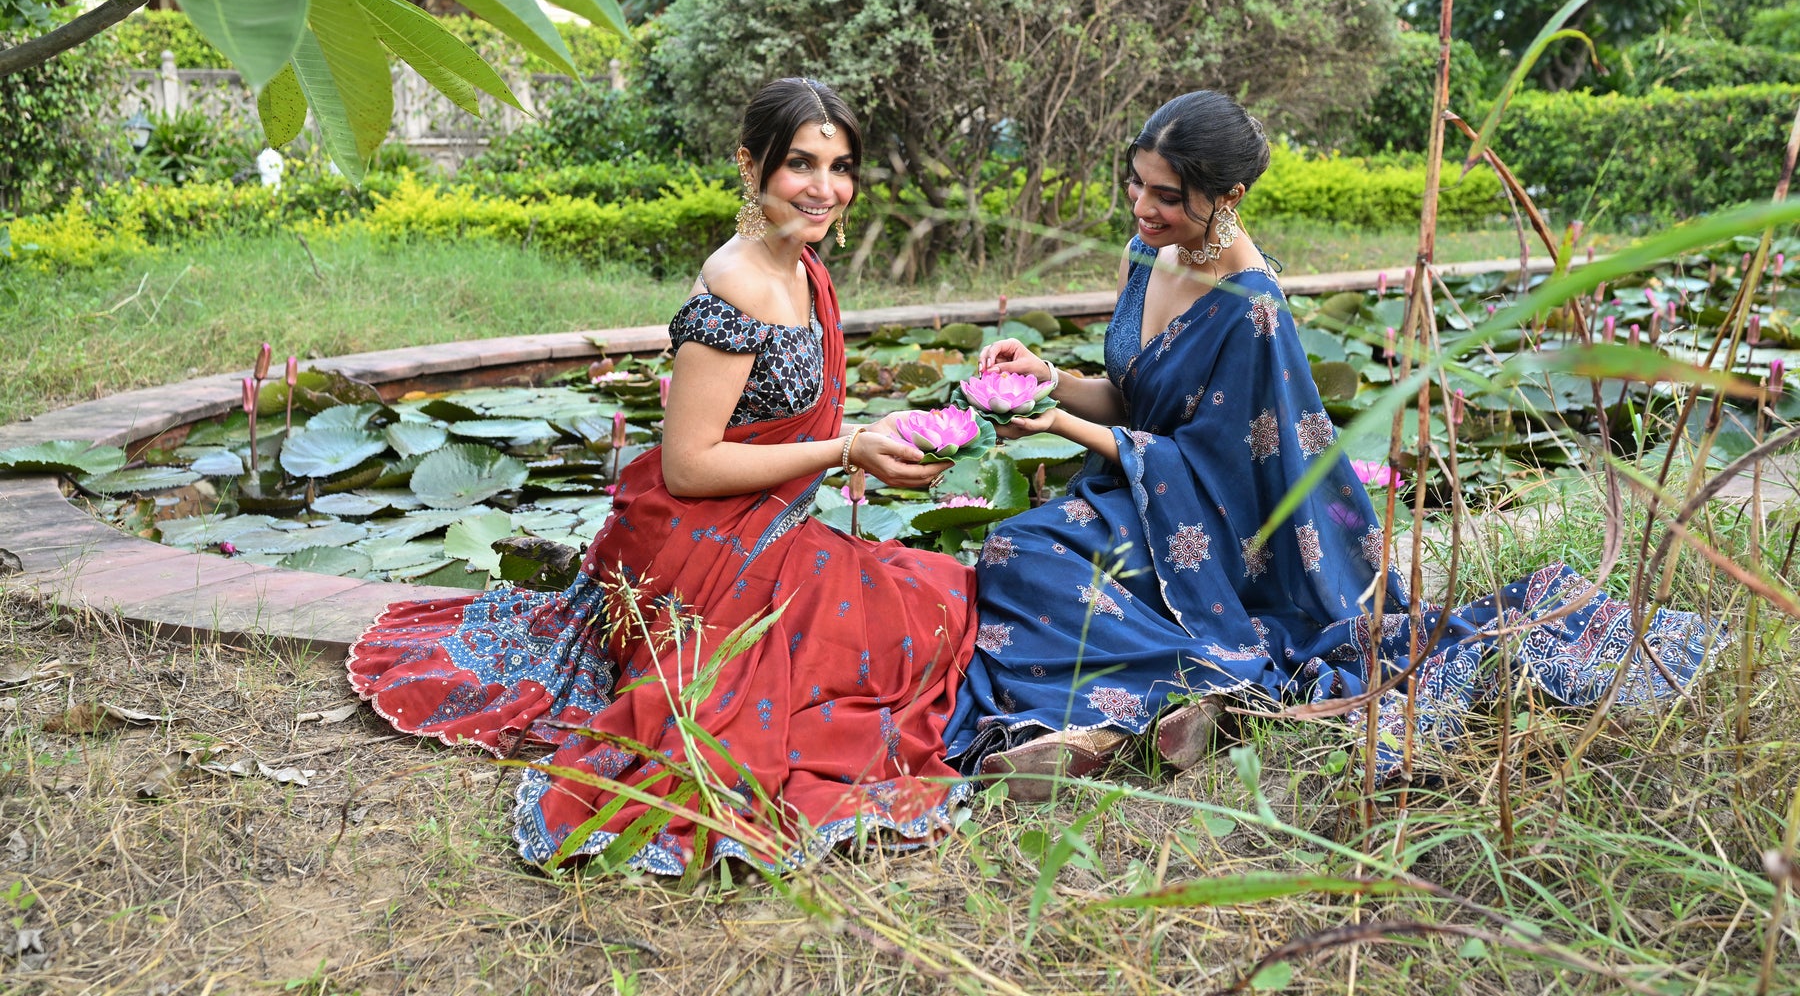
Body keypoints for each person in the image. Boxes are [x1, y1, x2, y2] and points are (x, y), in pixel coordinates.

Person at [942, 90, 1726, 797]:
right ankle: (1136, 717)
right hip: (1133, 495)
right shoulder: (1145, 255)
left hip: (1212, 533)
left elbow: (1219, 468)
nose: (1143, 208)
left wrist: (1060, 426)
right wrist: (1049, 379)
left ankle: (1207, 691)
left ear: (1228, 197)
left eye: (1168, 196)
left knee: (1023, 553)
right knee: (1018, 554)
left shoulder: (1251, 305)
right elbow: (1132, 397)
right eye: (1136, 184)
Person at [349, 78, 978, 871]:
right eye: (801, 164)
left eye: (841, 166)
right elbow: (688, 466)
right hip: (698, 545)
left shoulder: (801, 266)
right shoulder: (736, 287)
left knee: (934, 599)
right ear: (750, 166)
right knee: (847, 660)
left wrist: (874, 437)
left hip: (764, 527)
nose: (825, 188)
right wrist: (845, 449)